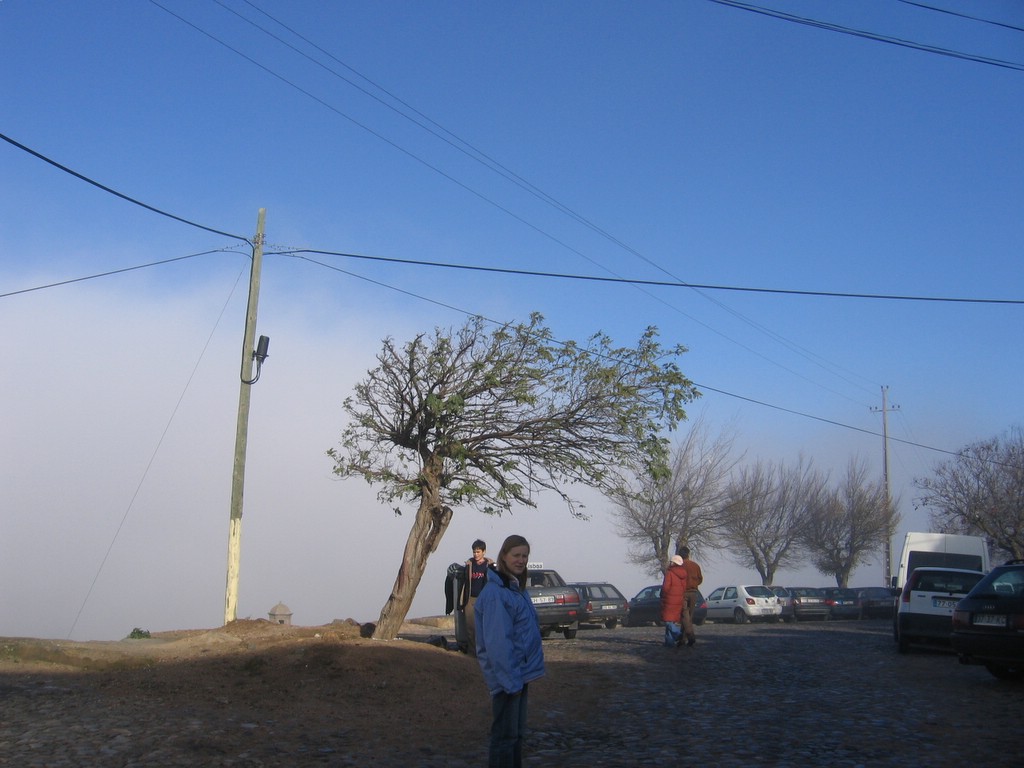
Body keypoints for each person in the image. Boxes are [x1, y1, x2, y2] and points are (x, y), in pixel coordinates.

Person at [474, 535, 545, 768]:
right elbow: (497, 644)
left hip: (519, 675)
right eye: (516, 555)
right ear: (504, 556)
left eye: (525, 556)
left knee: (515, 736)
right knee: (505, 738)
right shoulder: (496, 593)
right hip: (507, 679)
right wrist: (510, 682)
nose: (521, 560)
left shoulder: (516, 589)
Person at [464, 539, 492, 657]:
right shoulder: (469, 564)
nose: (476, 554)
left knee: (484, 627)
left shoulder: (489, 565)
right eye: (474, 552)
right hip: (470, 599)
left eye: (478, 552)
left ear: (484, 552)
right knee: (470, 627)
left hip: (484, 600)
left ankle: (485, 652)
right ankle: (472, 653)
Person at [660, 554, 692, 648]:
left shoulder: (670, 573)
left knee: (668, 621)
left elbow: (666, 587)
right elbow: (684, 587)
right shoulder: (684, 574)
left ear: (673, 563)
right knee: (672, 620)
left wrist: (662, 595)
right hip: (679, 599)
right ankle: (669, 642)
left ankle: (678, 634)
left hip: (669, 599)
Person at [678, 545, 703, 647]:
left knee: (685, 616)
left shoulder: (680, 566)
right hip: (693, 592)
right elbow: (700, 579)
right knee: (689, 616)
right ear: (688, 554)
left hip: (683, 593)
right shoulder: (695, 566)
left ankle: (690, 636)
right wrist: (694, 583)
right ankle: (683, 639)